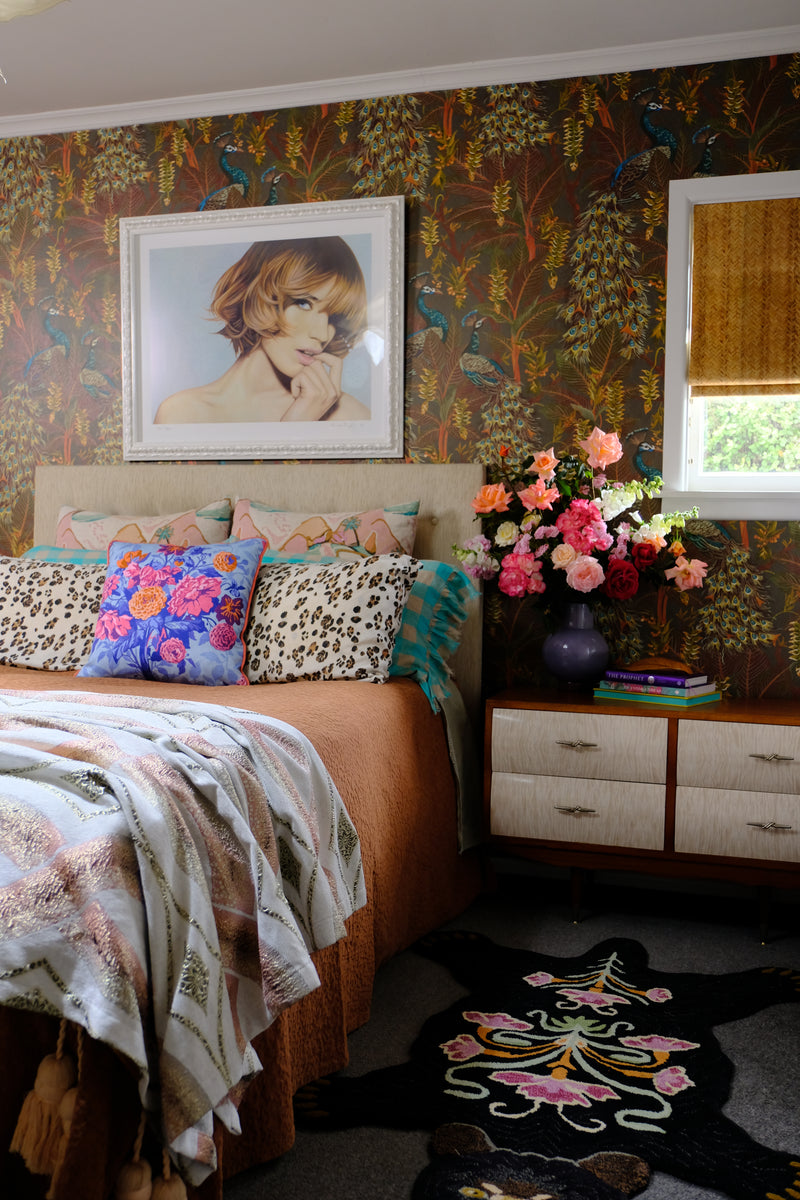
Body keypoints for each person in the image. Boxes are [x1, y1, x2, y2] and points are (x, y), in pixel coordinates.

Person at [154, 236, 370, 424]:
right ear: (256, 296)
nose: (322, 334)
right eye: (303, 303)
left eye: (333, 317)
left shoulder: (351, 416)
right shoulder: (180, 414)